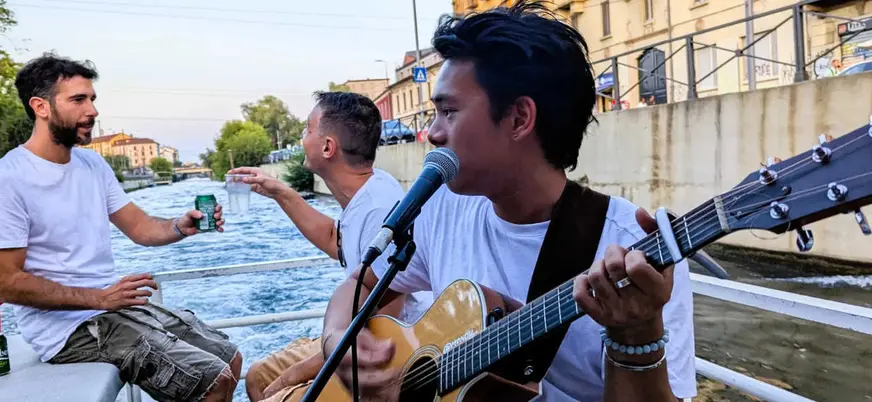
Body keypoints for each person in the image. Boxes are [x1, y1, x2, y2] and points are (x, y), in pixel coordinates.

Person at [317, 2, 696, 401]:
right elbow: (360, 284)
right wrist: (337, 337)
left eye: (448, 112)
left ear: (518, 119)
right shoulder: (443, 209)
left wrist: (635, 336)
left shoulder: (635, 253)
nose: (432, 134)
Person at [0, 53, 242, 402]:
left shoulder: (91, 164)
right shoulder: (10, 178)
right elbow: (7, 282)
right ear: (41, 106)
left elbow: (140, 227)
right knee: (213, 381)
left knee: (230, 358)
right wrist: (99, 297)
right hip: (68, 329)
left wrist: (180, 225)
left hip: (111, 308)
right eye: (78, 100)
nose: (93, 111)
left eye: (92, 99)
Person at [227, 92, 433, 402]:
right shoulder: (370, 189)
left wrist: (295, 373)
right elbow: (335, 239)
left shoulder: (379, 209)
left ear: (327, 147)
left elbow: (384, 331)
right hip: (357, 337)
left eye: (308, 129)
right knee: (258, 376)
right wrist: (280, 192)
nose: (301, 137)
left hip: (389, 357)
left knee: (273, 391)